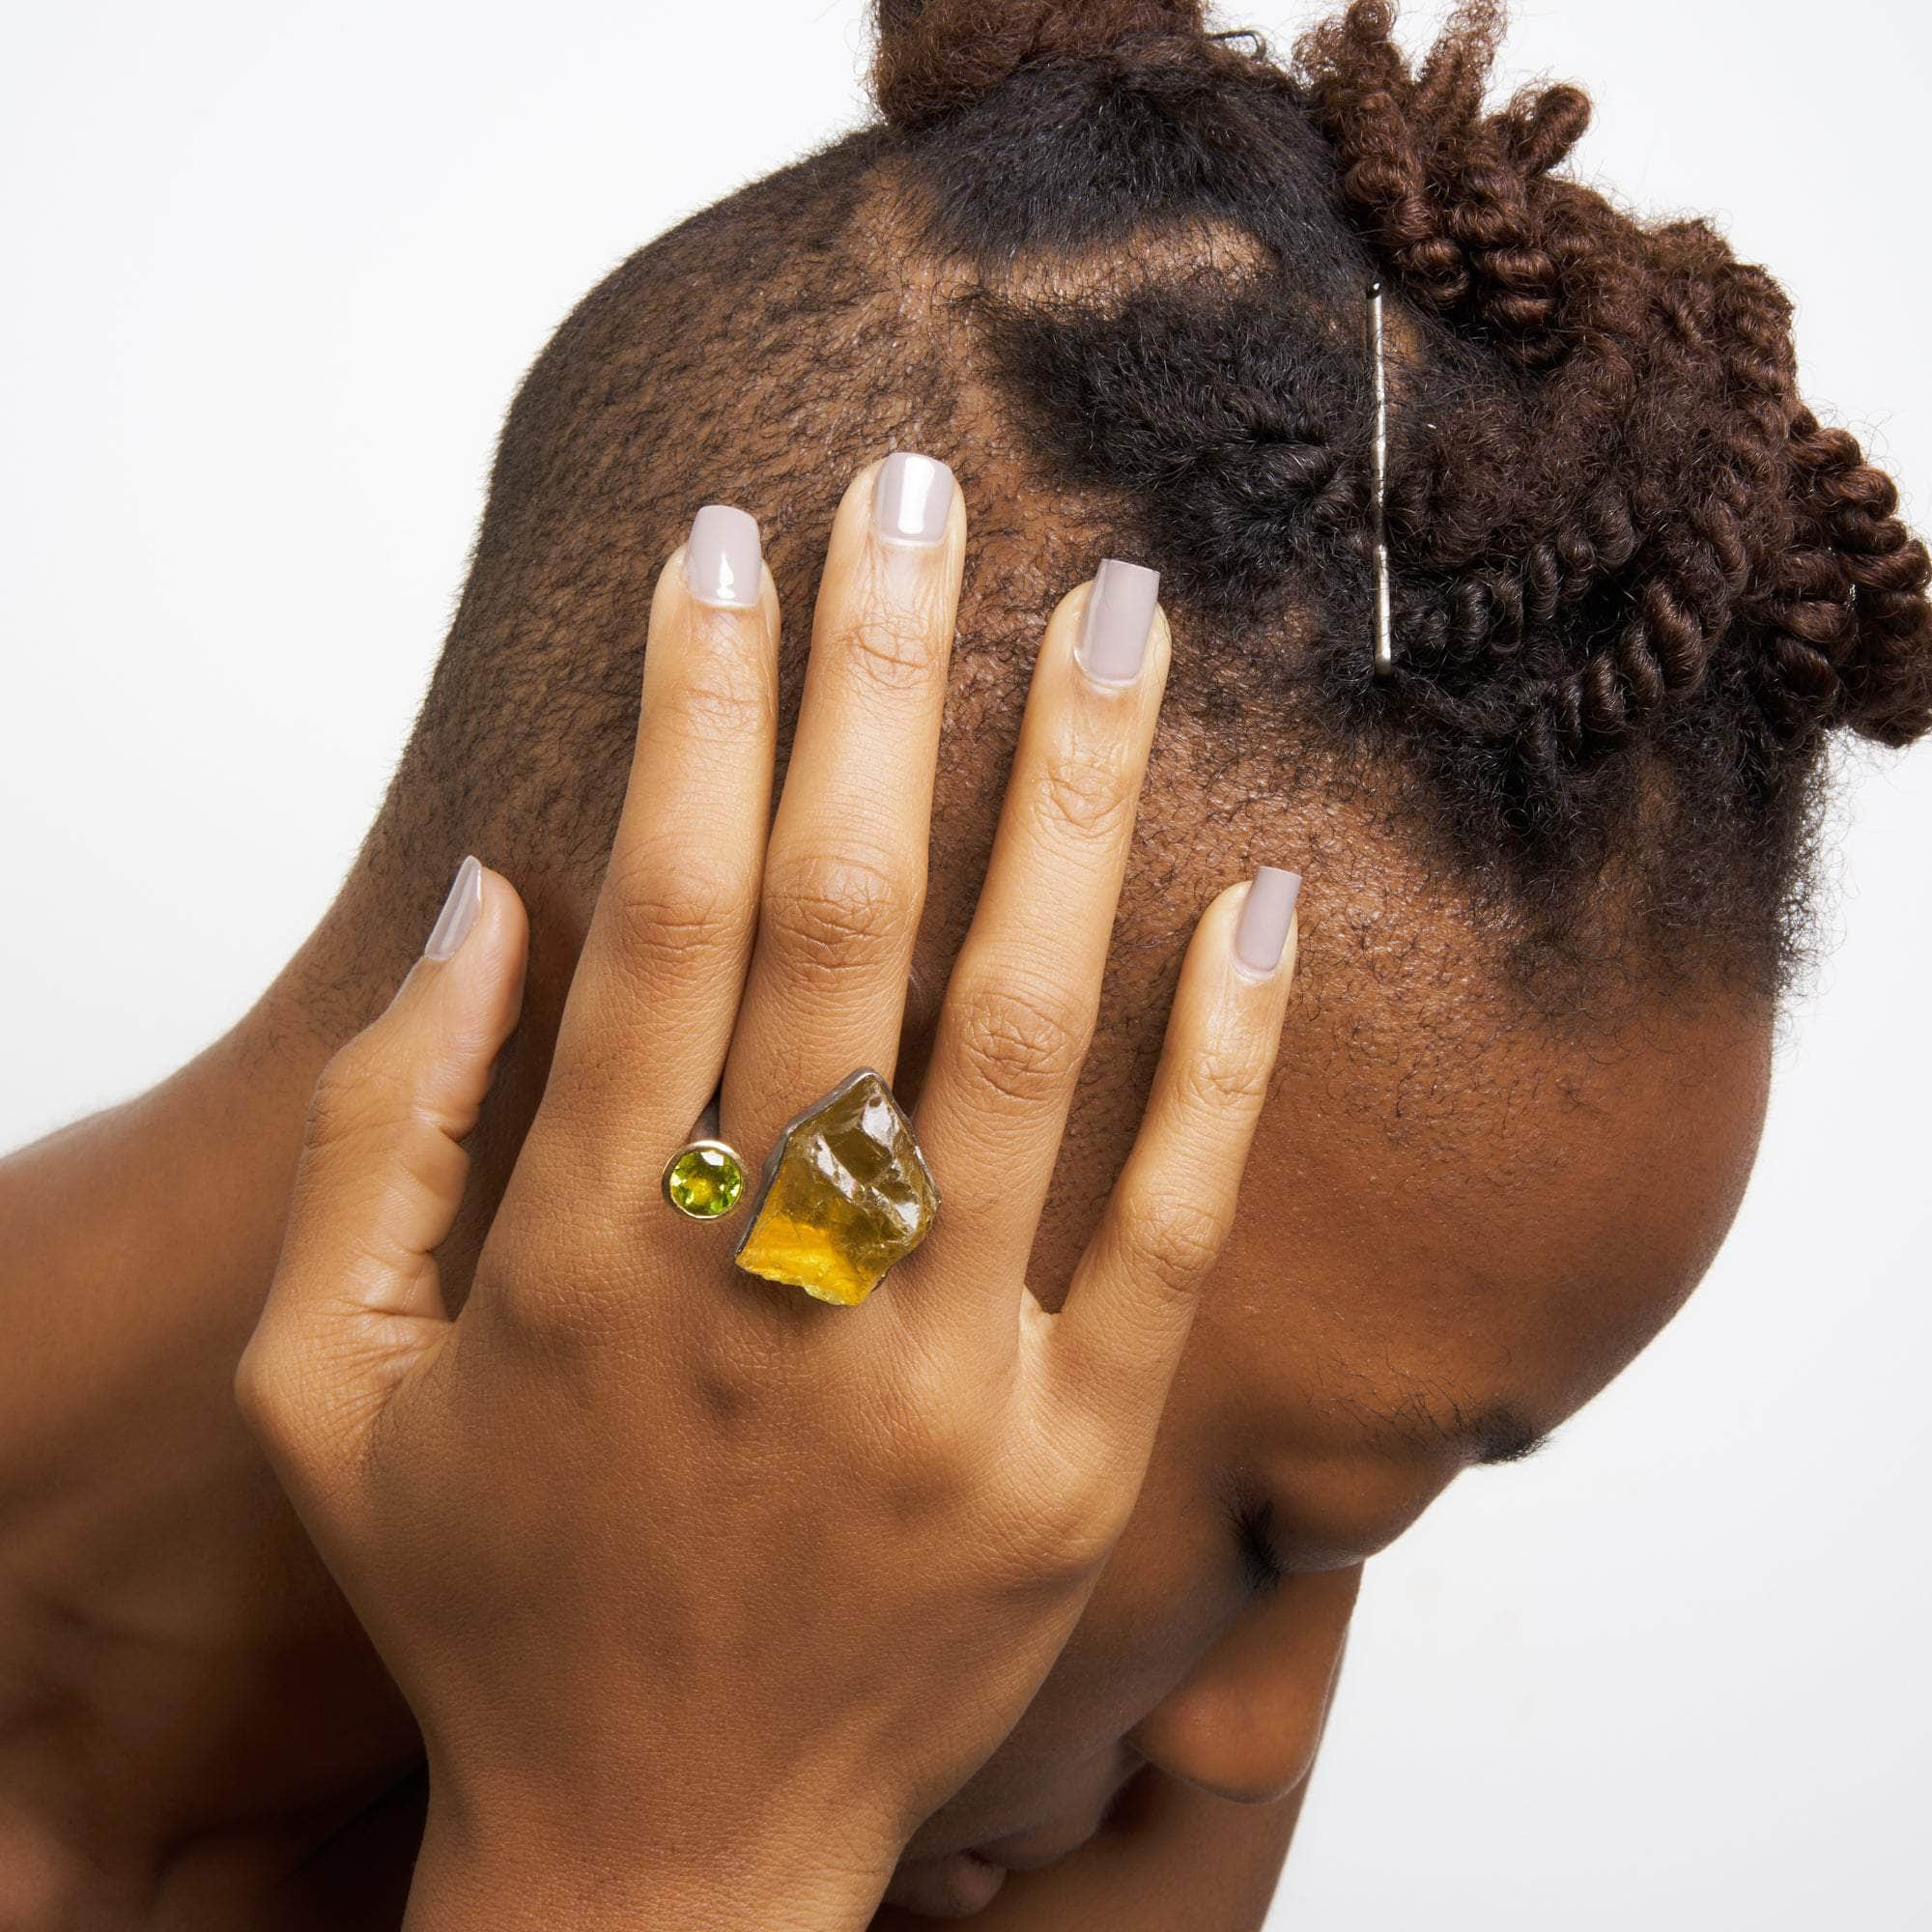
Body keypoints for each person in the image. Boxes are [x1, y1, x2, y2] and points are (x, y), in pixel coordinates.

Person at [2, 1, 1927, 1926]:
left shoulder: (1039, 1846)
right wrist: (666, 1852)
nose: (1251, 1741)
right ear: (785, 1103)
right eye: (1288, 1528)